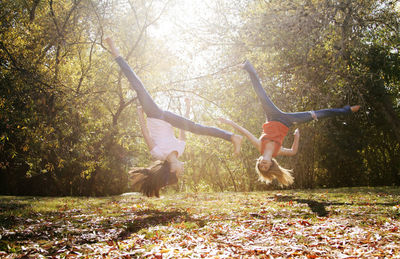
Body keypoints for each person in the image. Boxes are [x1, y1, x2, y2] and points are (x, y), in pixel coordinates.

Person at [105, 37, 242, 197]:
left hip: (155, 116)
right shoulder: (180, 149)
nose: (182, 171)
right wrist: (188, 107)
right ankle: (232, 137)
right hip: (167, 117)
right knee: (198, 129)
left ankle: (115, 52)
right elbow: (185, 128)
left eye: (178, 173)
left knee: (139, 87)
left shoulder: (159, 154)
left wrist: (139, 114)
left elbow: (146, 134)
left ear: (171, 169)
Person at [219, 60, 360, 187]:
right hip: (287, 121)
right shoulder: (277, 151)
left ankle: (248, 67)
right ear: (271, 165)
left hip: (272, 116)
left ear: (259, 161)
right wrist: (296, 136)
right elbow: (293, 152)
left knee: (261, 94)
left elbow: (245, 132)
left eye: (261, 165)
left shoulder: (259, 146)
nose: (263, 165)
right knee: (316, 114)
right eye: (265, 167)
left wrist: (228, 122)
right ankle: (346, 110)